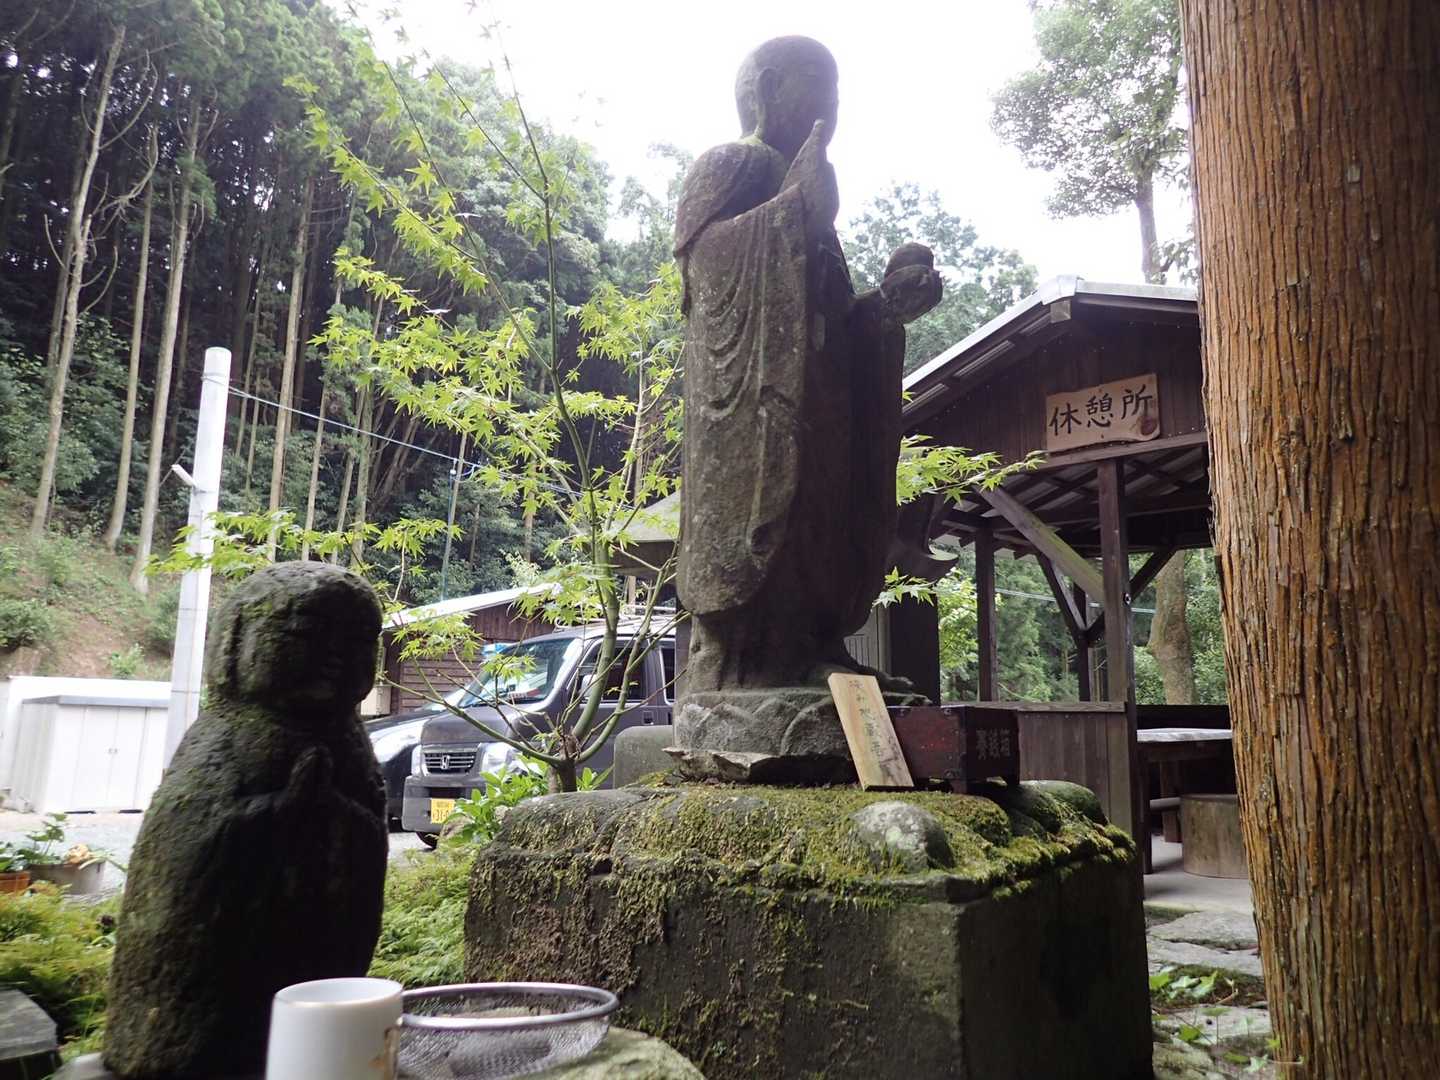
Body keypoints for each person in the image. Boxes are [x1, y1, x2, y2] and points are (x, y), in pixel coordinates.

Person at [675, 36, 943, 700]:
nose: (833, 104)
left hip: (820, 398)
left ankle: (815, 647)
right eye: (819, 86)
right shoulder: (733, 163)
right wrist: (794, 210)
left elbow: (833, 315)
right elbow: (706, 270)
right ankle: (751, 663)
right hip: (754, 403)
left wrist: (884, 309)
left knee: (828, 512)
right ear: (767, 88)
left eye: (838, 92)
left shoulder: (806, 185)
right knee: (778, 514)